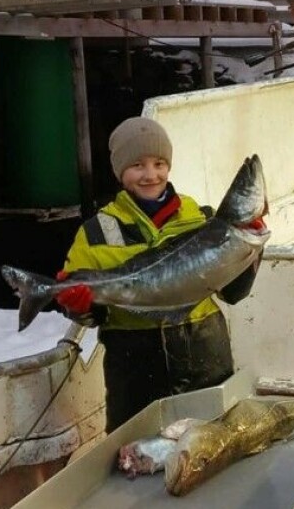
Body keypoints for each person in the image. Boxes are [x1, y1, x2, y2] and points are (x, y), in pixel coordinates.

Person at [56, 117, 262, 432]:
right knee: (136, 461)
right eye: (137, 165)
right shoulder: (96, 231)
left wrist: (249, 250)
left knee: (210, 451)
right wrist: (78, 306)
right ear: (119, 171)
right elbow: (93, 314)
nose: (151, 174)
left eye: (159, 163)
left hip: (205, 363)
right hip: (135, 377)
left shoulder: (203, 219)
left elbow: (232, 293)